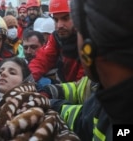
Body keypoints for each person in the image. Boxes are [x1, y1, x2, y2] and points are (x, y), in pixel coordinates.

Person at [49, 0, 133, 140]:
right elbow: (85, 118)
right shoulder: (111, 95)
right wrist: (50, 104)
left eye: (79, 31)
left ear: (90, 47)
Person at [29, 0, 84, 83]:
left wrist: (53, 91)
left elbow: (82, 84)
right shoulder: (56, 37)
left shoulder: (88, 39)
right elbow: (42, 60)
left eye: (66, 18)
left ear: (78, 16)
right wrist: (26, 79)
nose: (59, 25)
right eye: (55, 19)